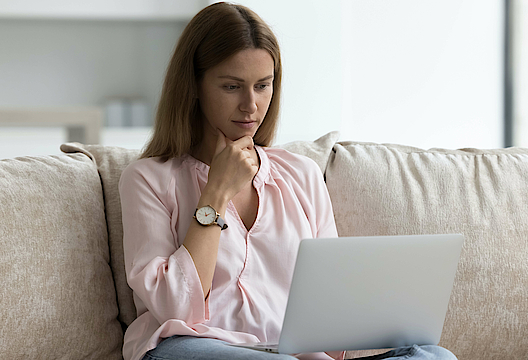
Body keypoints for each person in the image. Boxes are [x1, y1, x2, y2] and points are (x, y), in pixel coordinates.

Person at [118, 2, 458, 360]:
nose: (251, 105)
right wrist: (215, 193)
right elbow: (175, 307)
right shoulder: (148, 179)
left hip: (291, 355)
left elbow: (330, 317)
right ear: (194, 87)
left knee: (434, 356)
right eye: (232, 86)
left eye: (263, 86)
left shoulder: (302, 175)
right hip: (193, 349)